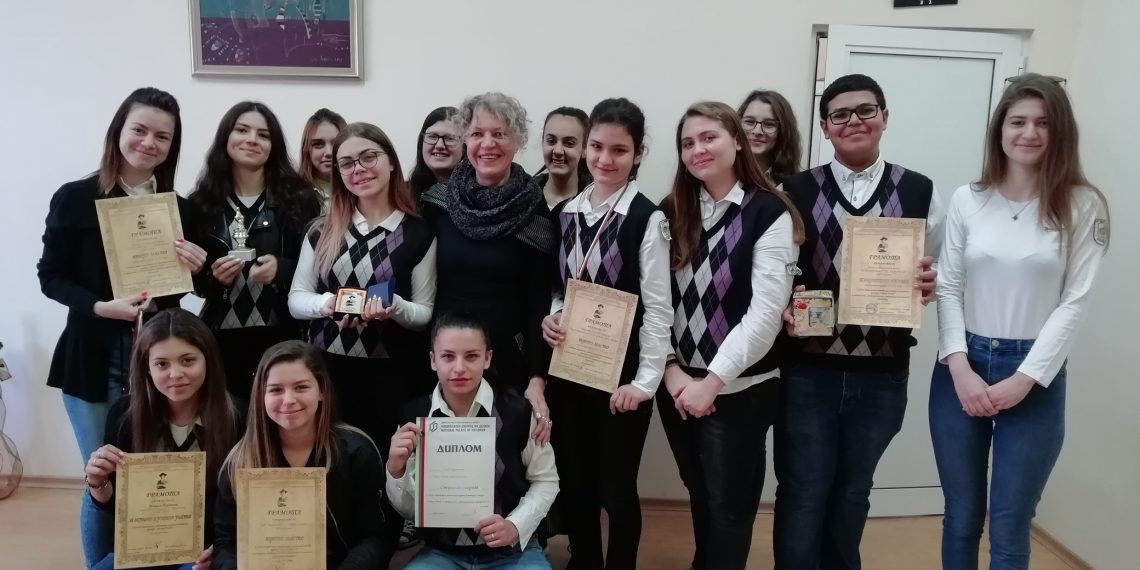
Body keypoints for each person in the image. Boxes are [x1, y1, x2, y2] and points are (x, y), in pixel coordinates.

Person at [931, 73, 1109, 570]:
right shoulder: (969, 198)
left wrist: (1026, 378)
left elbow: (1074, 302)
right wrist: (959, 367)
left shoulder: (1083, 204)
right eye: (1018, 121)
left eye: (1043, 123)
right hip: (962, 365)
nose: (1029, 132)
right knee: (961, 516)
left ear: (1060, 131)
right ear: (1000, 130)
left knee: (1009, 523)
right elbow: (949, 285)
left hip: (1035, 374)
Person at [774, 73, 943, 570]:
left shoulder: (919, 190)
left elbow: (934, 267)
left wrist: (928, 284)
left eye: (866, 110)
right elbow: (777, 272)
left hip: (882, 375)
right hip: (810, 371)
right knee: (804, 490)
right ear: (825, 127)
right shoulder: (795, 189)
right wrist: (785, 305)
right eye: (840, 114)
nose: (854, 121)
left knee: (853, 491)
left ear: (884, 118)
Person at [37, 87, 209, 568]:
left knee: (157, 473)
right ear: (118, 131)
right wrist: (99, 306)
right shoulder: (75, 198)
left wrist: (199, 267)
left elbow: (196, 288)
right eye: (140, 130)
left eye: (162, 136)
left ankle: (161, 557)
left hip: (160, 362)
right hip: (91, 358)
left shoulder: (182, 210)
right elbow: (50, 276)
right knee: (101, 472)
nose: (149, 143)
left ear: (172, 145)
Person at [657, 101, 804, 570]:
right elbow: (653, 303)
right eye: (687, 143)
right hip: (678, 386)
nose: (697, 150)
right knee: (700, 492)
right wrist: (672, 371)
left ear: (737, 141)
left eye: (709, 138)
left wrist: (712, 382)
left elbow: (765, 314)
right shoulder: (670, 210)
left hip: (740, 390)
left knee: (730, 508)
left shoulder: (769, 212)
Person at [541, 97, 671, 569]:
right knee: (576, 483)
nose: (604, 159)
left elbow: (659, 309)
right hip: (570, 368)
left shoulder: (647, 218)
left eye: (619, 150)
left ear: (638, 154)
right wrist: (554, 315)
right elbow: (559, 287)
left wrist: (645, 382)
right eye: (596, 146)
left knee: (616, 490)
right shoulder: (566, 213)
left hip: (622, 380)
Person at [288, 121, 436, 453]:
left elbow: (424, 313)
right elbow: (296, 299)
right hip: (326, 372)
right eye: (347, 163)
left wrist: (394, 307)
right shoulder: (321, 230)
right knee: (329, 459)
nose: (359, 169)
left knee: (384, 462)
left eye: (369, 157)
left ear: (391, 161)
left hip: (391, 375)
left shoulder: (419, 234)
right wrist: (326, 304)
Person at [420, 92, 558, 444]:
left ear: (517, 141)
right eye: (477, 133)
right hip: (445, 359)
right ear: (465, 139)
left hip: (509, 360)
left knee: (506, 459)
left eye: (500, 134)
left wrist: (537, 379)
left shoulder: (534, 211)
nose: (487, 144)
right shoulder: (437, 203)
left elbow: (538, 300)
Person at [386, 312, 559, 569]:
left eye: (471, 356)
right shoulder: (415, 416)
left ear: (487, 358)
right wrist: (395, 470)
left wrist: (515, 525)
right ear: (433, 360)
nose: (459, 368)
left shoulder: (519, 412)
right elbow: (411, 511)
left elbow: (546, 480)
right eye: (448, 356)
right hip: (443, 553)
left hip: (512, 552)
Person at [213, 340, 399, 569]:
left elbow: (374, 537)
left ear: (321, 391)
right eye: (275, 390)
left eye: (301, 387)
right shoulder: (240, 460)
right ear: (261, 396)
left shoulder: (357, 451)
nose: (288, 400)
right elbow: (226, 544)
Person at [82, 309, 243, 570]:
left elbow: (241, 505)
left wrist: (222, 550)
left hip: (202, 551)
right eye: (161, 364)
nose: (175, 374)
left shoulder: (238, 418)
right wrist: (98, 481)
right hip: (142, 548)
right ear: (146, 367)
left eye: (188, 360)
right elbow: (114, 507)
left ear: (208, 360)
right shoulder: (124, 415)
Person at [190, 101, 322, 398]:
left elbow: (321, 270)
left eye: (263, 135)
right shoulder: (200, 203)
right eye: (242, 130)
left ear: (273, 146)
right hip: (219, 337)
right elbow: (194, 284)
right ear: (225, 137)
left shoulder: (300, 198)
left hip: (283, 334)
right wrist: (213, 278)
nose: (252, 139)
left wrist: (282, 269)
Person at [736, 89, 803, 185]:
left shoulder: (795, 185)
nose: (757, 131)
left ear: (783, 131)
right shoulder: (722, 175)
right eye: (750, 122)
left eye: (768, 124)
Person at [533, 107, 592, 209]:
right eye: (551, 141)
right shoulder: (523, 196)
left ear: (584, 148)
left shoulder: (596, 202)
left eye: (569, 143)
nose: (558, 151)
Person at [407, 106, 463, 207]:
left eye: (450, 138)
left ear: (465, 146)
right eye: (432, 136)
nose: (439, 145)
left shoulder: (481, 196)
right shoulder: (402, 196)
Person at [297, 107, 348, 212]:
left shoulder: (362, 189)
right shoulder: (293, 195)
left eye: (336, 143)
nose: (329, 152)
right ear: (306, 150)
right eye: (318, 144)